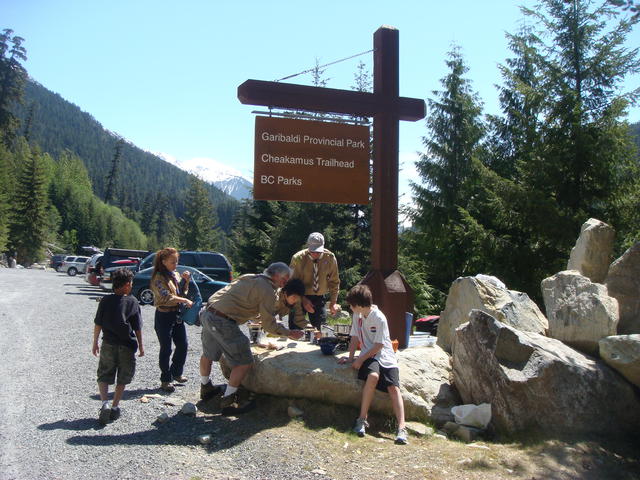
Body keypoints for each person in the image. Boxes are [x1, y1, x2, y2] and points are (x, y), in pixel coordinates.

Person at [198, 262, 305, 409]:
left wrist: (258, 317)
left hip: (208, 312)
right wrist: (289, 333)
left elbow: (241, 300)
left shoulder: (251, 277)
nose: (286, 282)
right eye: (284, 279)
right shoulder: (268, 289)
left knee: (208, 354)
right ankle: (229, 400)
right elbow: (269, 325)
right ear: (275, 275)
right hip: (222, 320)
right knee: (244, 361)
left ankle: (205, 388)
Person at [338, 284, 408, 445]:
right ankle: (362, 419)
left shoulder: (379, 318)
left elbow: (379, 345)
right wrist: (350, 358)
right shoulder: (357, 316)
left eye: (351, 305)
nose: (350, 308)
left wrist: (360, 360)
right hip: (369, 355)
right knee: (373, 377)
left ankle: (402, 427)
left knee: (394, 388)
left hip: (385, 355)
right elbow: (354, 337)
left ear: (359, 305)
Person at [92, 268, 144, 425]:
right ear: (127, 284)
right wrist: (141, 346)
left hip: (108, 343)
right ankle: (115, 407)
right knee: (123, 377)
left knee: (104, 374)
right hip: (126, 346)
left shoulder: (105, 300)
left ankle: (104, 404)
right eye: (131, 283)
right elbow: (137, 327)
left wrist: (95, 342)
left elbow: (98, 323)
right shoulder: (133, 302)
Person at [150, 247, 192, 393]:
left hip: (177, 315)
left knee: (183, 345)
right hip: (164, 315)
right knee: (166, 348)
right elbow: (166, 296)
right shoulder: (158, 278)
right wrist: (184, 300)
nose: (175, 265)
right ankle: (165, 379)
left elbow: (182, 292)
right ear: (164, 261)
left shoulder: (175, 275)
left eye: (176, 262)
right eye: (172, 262)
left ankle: (176, 372)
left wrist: (186, 281)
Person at [289, 232, 340, 336]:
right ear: (308, 246)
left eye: (318, 251)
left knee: (319, 331)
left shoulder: (330, 258)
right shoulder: (298, 258)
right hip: (298, 297)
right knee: (295, 331)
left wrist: (333, 302)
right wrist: (303, 299)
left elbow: (334, 282)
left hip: (319, 297)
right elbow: (291, 283)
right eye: (312, 251)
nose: (315, 254)